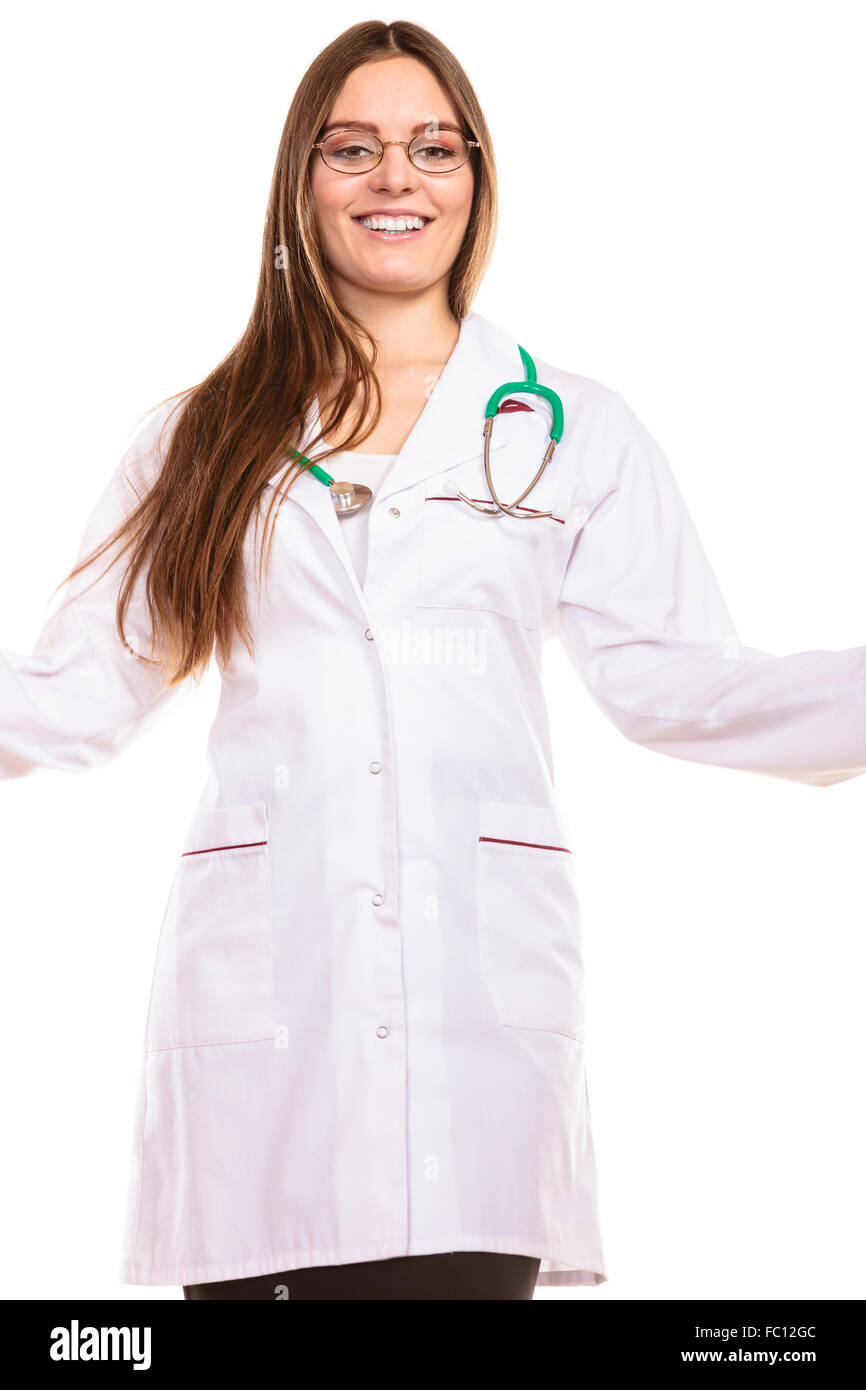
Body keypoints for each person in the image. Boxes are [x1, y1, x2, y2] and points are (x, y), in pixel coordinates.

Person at [2, 19, 864, 1302]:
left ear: (476, 177)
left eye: (431, 146)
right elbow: (72, 693)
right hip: (265, 1030)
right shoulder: (200, 439)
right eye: (352, 148)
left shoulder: (573, 427)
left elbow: (684, 685)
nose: (394, 178)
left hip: (479, 1031)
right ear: (300, 183)